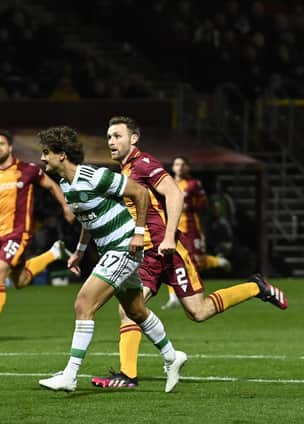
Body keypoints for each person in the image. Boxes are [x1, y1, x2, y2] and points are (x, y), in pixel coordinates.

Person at [91, 116, 288, 389]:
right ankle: (128, 375)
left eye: (117, 136)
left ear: (133, 138)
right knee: (132, 309)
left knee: (198, 312)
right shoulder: (123, 172)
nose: (111, 141)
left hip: (167, 250)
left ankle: (255, 288)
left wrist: (170, 236)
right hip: (146, 255)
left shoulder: (143, 164)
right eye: (109, 136)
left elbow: (175, 195)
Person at [36, 126, 186, 393]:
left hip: (124, 248)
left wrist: (139, 234)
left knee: (84, 303)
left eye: (46, 152)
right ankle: (173, 357)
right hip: (111, 250)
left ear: (62, 155)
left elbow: (140, 193)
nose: (43, 158)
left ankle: (70, 375)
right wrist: (80, 251)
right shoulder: (65, 185)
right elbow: (87, 219)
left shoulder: (94, 176)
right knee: (135, 310)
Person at [0, 129, 76, 344]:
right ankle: (54, 253)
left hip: (20, 234)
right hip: (3, 235)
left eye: (1, 144)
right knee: (21, 280)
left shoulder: (28, 170)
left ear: (10, 147)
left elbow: (52, 185)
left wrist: (66, 206)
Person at [162, 156, 230, 309]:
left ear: (187, 167)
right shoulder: (168, 183)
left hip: (191, 228)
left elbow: (204, 204)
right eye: (176, 164)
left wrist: (188, 203)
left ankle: (218, 261)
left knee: (195, 261)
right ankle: (173, 297)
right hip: (172, 227)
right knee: (170, 259)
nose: (179, 167)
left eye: (182, 164)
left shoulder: (193, 184)